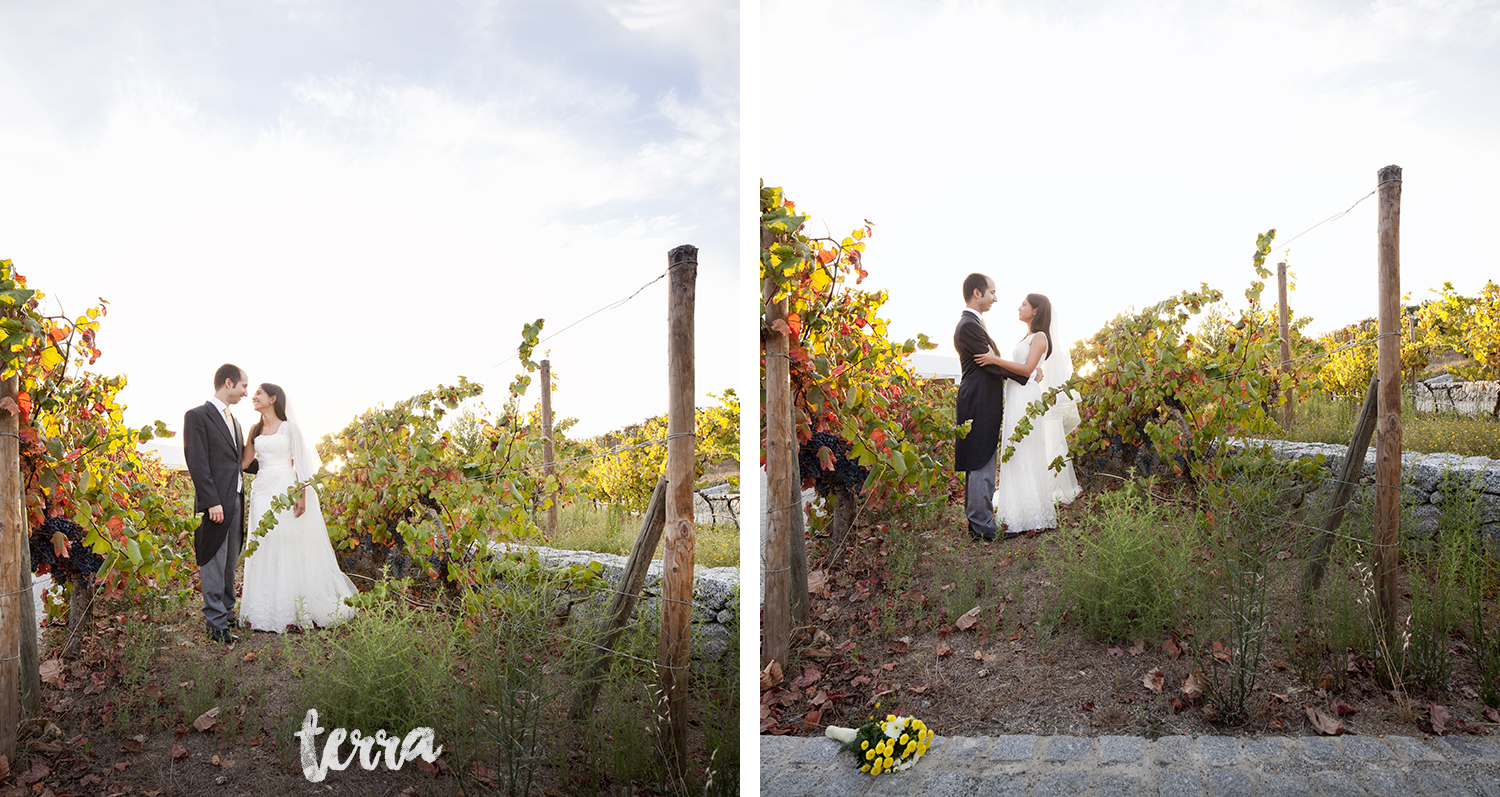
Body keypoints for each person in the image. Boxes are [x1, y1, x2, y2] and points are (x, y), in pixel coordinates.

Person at [238, 383, 358, 632]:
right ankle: (262, 609)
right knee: (263, 542)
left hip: (285, 486)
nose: (253, 396)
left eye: (258, 393)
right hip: (262, 490)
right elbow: (246, 461)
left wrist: (301, 495)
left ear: (273, 399)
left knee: (286, 541)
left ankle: (291, 608)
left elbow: (302, 465)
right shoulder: (255, 429)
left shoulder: (290, 428)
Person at [976, 293, 1082, 534]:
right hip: (1017, 395)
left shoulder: (1041, 337)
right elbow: (1031, 370)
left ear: (1035, 310)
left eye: (1024, 304)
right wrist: (1031, 371)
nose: (1019, 307)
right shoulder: (1029, 336)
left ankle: (1032, 515)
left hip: (1026, 398)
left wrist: (995, 361)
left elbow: (1026, 369)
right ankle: (1016, 512)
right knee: (1014, 451)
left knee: (1024, 448)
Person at [954, 274, 1031, 541]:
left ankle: (979, 523)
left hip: (981, 398)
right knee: (980, 459)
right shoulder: (969, 326)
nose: (995, 298)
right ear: (977, 293)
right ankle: (983, 526)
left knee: (983, 457)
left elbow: (992, 360)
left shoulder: (974, 323)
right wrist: (1026, 374)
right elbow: (990, 363)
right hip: (978, 400)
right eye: (992, 292)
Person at [183, 363, 251, 644]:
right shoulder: (197, 416)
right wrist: (211, 501)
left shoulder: (234, 421)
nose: (246, 393)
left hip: (235, 500)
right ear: (228, 383)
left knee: (229, 562)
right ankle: (215, 625)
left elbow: (237, 463)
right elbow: (197, 462)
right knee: (213, 560)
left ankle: (228, 614)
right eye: (244, 386)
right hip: (216, 503)